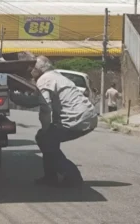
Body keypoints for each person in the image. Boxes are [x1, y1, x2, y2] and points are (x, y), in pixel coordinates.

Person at [10, 56, 98, 187]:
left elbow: (45, 107)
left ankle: (72, 176)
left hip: (77, 119)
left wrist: (45, 128)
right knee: (46, 140)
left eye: (31, 68)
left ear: (38, 69)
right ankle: (50, 177)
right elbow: (35, 101)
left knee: (46, 139)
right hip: (86, 116)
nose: (29, 71)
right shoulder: (54, 76)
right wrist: (14, 97)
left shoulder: (44, 80)